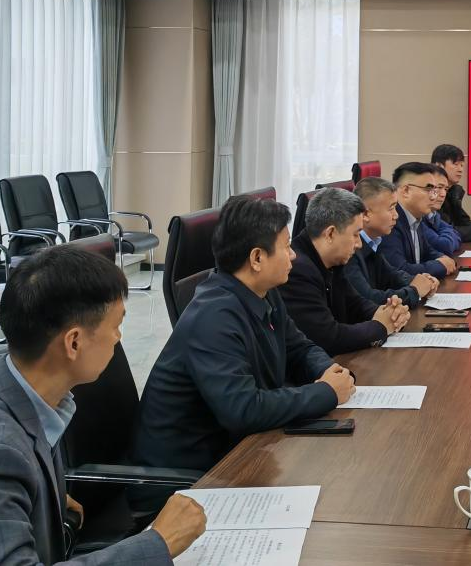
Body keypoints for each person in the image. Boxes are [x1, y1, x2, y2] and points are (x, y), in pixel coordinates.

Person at [0, 245, 206, 566]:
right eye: (116, 326)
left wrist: (43, 492)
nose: (118, 338)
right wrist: (158, 544)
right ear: (74, 342)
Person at [132, 196, 355, 477]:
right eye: (286, 247)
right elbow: (243, 409)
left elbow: (299, 347)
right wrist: (325, 392)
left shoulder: (265, 292)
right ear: (257, 258)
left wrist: (328, 370)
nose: (294, 255)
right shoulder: (213, 317)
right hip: (188, 478)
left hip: (236, 452)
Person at [279, 187, 410, 355]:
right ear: (330, 234)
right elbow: (329, 337)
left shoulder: (334, 262)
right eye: (355, 234)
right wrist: (381, 327)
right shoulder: (297, 270)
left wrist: (389, 314)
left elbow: (355, 305)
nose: (359, 244)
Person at [347, 176, 438, 307]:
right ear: (366, 214)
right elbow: (368, 298)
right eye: (391, 208)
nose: (396, 215)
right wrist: (414, 291)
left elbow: (391, 276)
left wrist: (419, 281)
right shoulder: (349, 250)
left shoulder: (373, 241)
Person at [378, 162, 458, 279]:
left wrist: (443, 258)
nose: (434, 197)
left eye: (434, 190)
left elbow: (427, 251)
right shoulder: (391, 221)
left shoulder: (416, 216)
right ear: (406, 191)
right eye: (428, 189)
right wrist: (441, 265)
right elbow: (399, 270)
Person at [431, 143, 471, 242]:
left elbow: (462, 222)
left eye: (462, 165)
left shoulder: (453, 191)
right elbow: (444, 230)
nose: (460, 169)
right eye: (456, 164)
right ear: (439, 165)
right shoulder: (431, 192)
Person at [421, 164, 464, 255]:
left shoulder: (434, 214)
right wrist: (450, 235)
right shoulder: (418, 216)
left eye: (446, 189)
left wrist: (449, 235)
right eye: (439, 187)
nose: (443, 194)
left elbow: (457, 234)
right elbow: (444, 246)